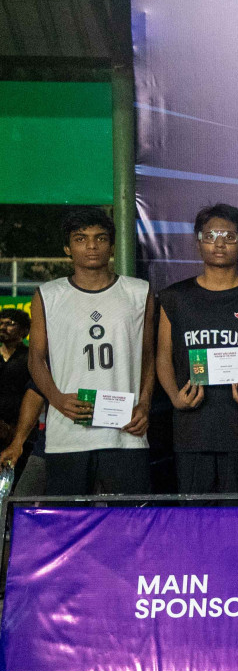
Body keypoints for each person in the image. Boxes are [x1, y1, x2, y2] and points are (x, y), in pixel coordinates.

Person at [29, 207, 155, 495]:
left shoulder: (139, 292)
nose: (91, 246)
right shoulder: (48, 295)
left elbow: (148, 356)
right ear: (67, 248)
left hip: (126, 432)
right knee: (70, 527)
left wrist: (145, 404)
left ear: (111, 245)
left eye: (100, 238)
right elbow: (36, 359)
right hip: (68, 433)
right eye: (81, 239)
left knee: (132, 526)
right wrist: (56, 398)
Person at [156, 204, 238, 494]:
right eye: (211, 235)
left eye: (229, 236)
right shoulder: (175, 298)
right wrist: (175, 397)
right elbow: (163, 355)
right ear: (199, 242)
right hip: (192, 429)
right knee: (195, 522)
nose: (220, 243)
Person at [0, 309, 38, 480]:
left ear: (24, 331)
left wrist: (15, 430)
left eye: (10, 324)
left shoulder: (31, 358)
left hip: (21, 430)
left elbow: (36, 393)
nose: (3, 327)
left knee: (17, 479)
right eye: (1, 323)